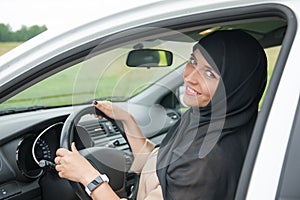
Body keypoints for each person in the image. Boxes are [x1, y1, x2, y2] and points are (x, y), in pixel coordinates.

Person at [55, 29, 267, 200]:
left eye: (209, 73)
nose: (190, 77)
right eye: (193, 61)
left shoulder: (205, 165)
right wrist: (126, 119)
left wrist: (89, 177)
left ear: (234, 86)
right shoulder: (207, 119)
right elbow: (159, 165)